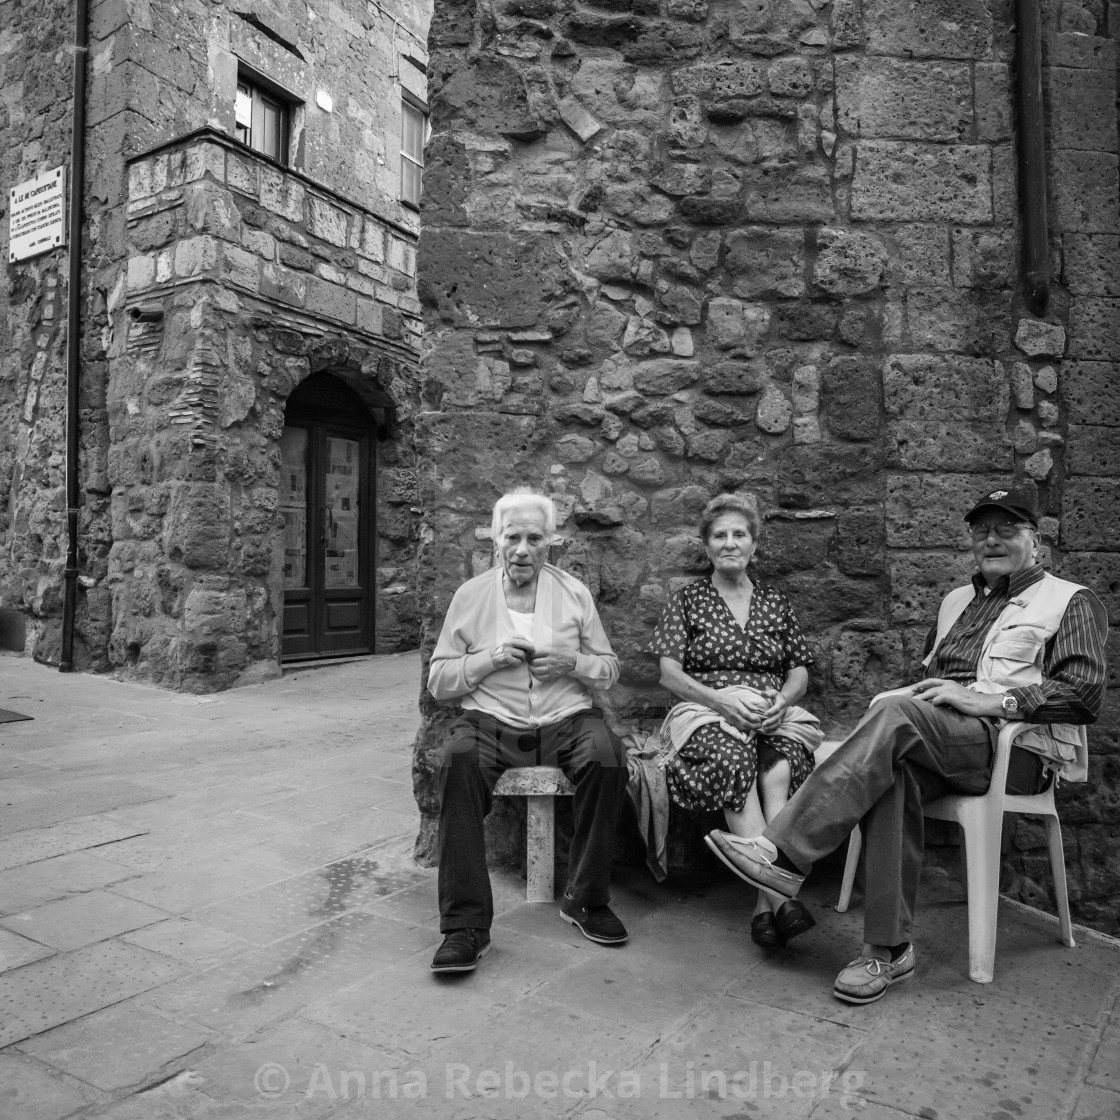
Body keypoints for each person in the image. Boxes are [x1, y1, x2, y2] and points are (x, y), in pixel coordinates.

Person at [707, 486, 1108, 1004]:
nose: (991, 540)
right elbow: (927, 678)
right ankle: (887, 951)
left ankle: (784, 854)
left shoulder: (1071, 600)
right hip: (938, 739)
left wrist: (990, 704)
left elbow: (1082, 694)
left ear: (1036, 539)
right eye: (981, 530)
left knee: (896, 716)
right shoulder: (956, 603)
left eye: (1006, 529)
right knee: (894, 768)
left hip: (1016, 751)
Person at [428, 488, 628, 973]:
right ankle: (466, 925)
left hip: (566, 720)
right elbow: (438, 681)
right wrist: (486, 660)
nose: (522, 549)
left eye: (534, 538)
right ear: (495, 539)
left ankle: (585, 897)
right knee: (456, 763)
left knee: (608, 757)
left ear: (551, 542)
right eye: (512, 537)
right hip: (490, 721)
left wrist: (573, 662)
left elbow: (610, 667)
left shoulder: (574, 593)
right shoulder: (471, 596)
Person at [647, 492, 824, 948]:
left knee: (779, 768)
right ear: (706, 546)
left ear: (753, 545)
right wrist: (722, 703)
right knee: (734, 763)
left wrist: (782, 703)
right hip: (707, 710)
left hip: (770, 713)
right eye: (719, 535)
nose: (730, 543)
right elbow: (670, 674)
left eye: (739, 534)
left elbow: (800, 670)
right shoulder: (688, 600)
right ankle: (782, 899)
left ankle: (765, 907)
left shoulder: (774, 601)